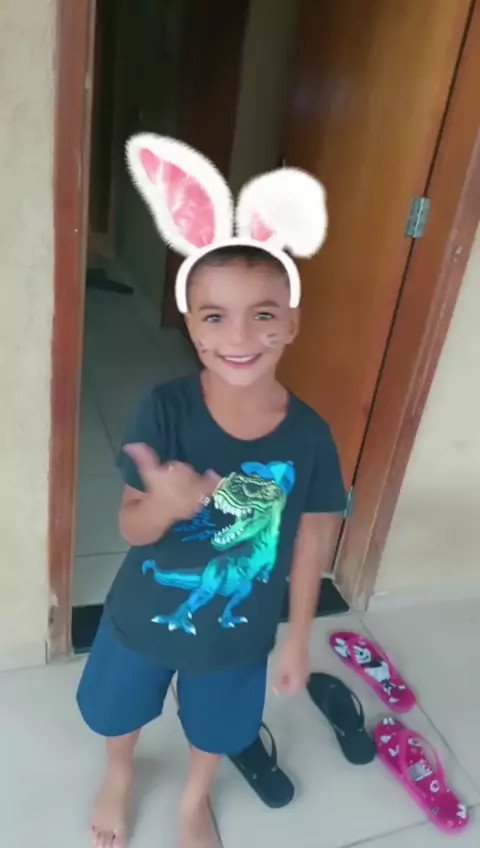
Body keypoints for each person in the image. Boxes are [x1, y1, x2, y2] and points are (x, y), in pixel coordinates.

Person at [77, 135, 346, 848]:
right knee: (118, 710)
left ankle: (195, 800)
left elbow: (312, 539)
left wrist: (298, 638)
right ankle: (119, 775)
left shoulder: (310, 437)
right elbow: (132, 528)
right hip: (142, 614)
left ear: (291, 322)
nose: (240, 335)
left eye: (263, 313)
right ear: (193, 328)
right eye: (215, 316)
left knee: (218, 726)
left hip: (240, 631)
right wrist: (164, 505)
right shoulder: (164, 410)